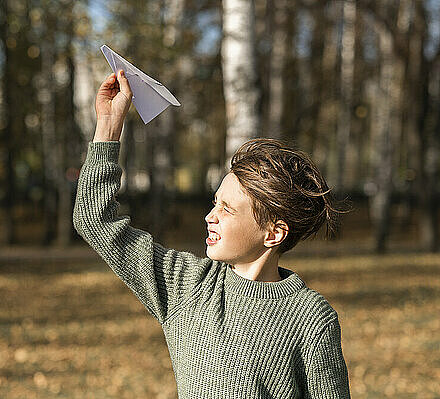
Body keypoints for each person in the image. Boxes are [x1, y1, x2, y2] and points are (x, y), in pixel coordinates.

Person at [73, 69, 351, 398]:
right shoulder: (186, 285)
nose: (209, 217)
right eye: (214, 202)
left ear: (273, 234)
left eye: (227, 209)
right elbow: (93, 219)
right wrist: (108, 125)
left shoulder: (311, 320)